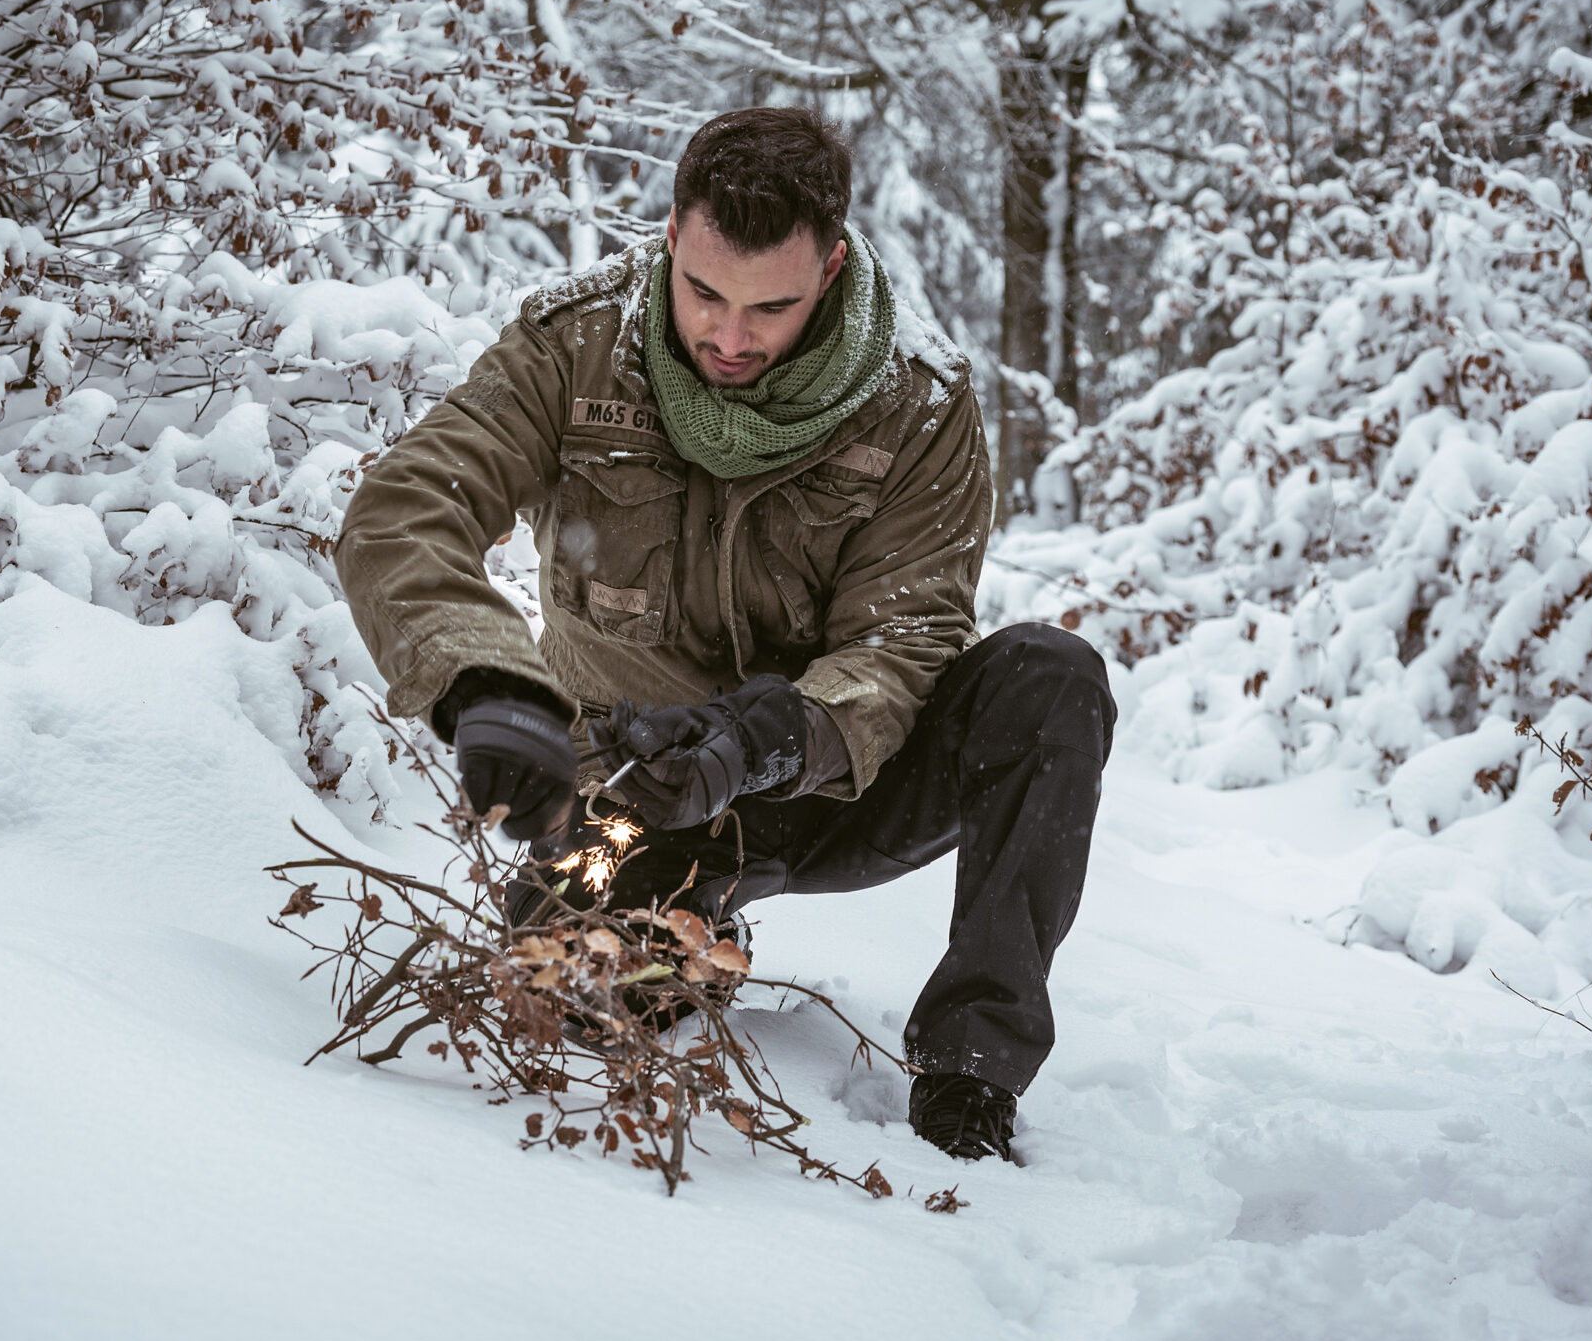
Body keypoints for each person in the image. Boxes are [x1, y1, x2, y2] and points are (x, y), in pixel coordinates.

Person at [336, 107, 1115, 1162]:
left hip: (837, 777)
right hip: (639, 787)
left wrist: (772, 735)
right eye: (704, 293)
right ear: (669, 238)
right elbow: (406, 509)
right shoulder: (574, 344)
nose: (731, 337)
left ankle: (970, 1070)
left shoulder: (919, 406)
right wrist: (486, 684)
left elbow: (909, 637)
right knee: (571, 989)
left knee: (1049, 676)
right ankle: (691, 918)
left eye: (771, 307)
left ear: (832, 268)